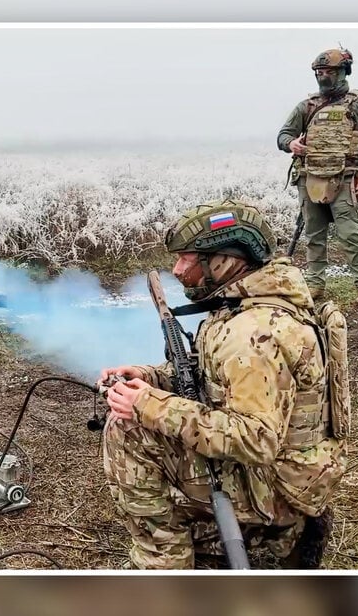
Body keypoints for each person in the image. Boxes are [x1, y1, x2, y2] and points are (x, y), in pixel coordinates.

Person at [99, 200, 345, 569]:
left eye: (188, 259)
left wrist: (148, 405)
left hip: (277, 487)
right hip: (294, 473)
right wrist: (150, 377)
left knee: (128, 429)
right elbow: (213, 379)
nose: (177, 270)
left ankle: (163, 563)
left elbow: (255, 438)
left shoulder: (252, 333)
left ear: (225, 261)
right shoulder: (250, 303)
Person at [277, 47, 358, 308]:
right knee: (314, 235)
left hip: (346, 178)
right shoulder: (307, 106)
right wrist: (292, 144)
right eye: (319, 72)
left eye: (329, 72)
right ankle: (315, 284)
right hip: (310, 178)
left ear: (343, 72)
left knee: (351, 235)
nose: (323, 76)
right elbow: (283, 135)